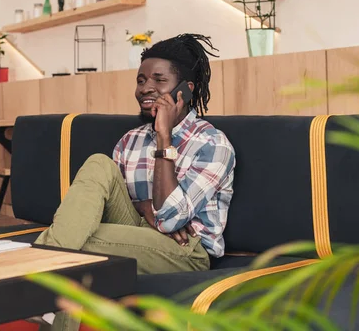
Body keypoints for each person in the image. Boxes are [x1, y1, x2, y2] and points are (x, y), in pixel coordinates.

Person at [35, 34, 236, 331]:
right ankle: (38, 285)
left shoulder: (212, 144)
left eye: (158, 80)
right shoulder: (130, 140)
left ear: (184, 91)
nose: (146, 89)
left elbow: (168, 220)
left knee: (81, 244)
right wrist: (144, 206)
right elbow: (101, 209)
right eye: (141, 81)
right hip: (137, 233)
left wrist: (164, 138)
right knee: (98, 163)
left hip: (185, 251)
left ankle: (31, 286)